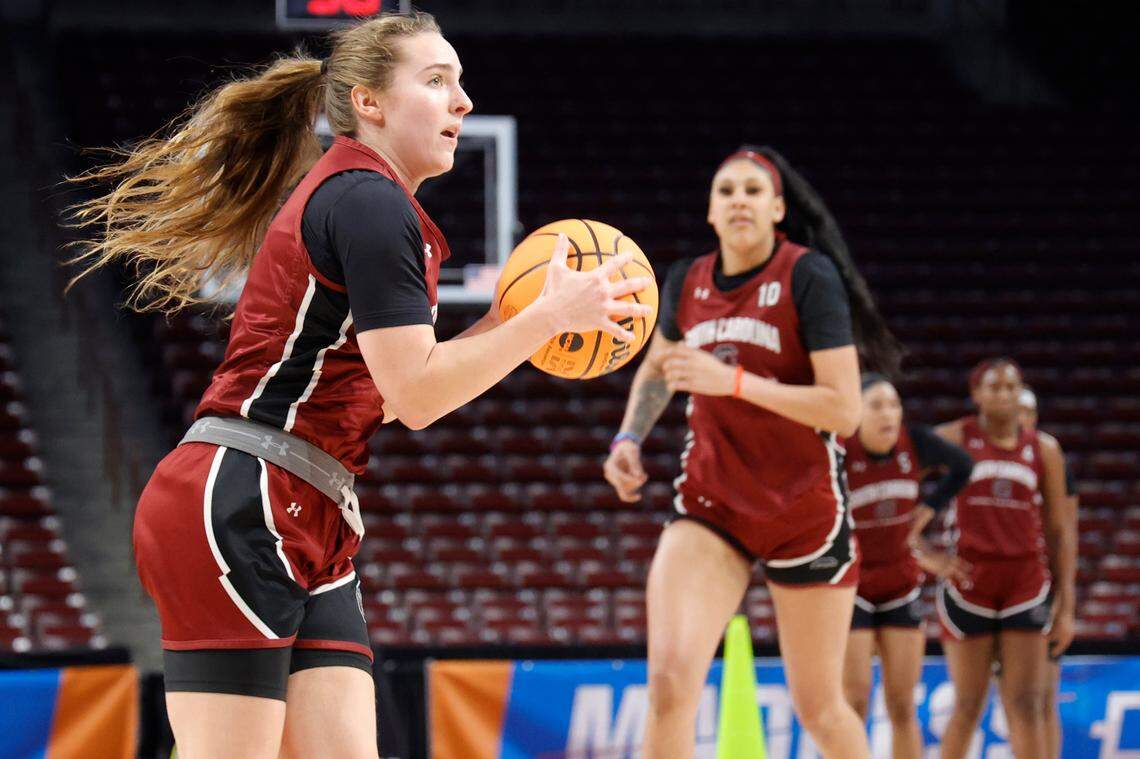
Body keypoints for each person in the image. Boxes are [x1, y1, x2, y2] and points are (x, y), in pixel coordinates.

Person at [67, 12, 651, 759]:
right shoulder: (368, 202)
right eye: (437, 81)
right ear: (369, 102)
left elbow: (416, 380)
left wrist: (520, 316)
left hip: (306, 503)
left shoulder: (375, 201)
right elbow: (418, 395)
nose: (463, 102)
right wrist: (545, 322)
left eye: (461, 82)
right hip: (242, 496)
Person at [603, 145, 902, 759]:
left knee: (820, 708)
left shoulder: (808, 276)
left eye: (752, 190)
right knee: (667, 686)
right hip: (713, 508)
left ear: (777, 209)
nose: (738, 200)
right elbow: (659, 370)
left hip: (805, 516)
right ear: (711, 212)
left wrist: (732, 382)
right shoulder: (687, 279)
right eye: (726, 191)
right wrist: (629, 437)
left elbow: (844, 410)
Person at [934, 359, 1076, 759]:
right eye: (994, 387)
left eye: (1011, 387)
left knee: (1027, 704)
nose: (1004, 395)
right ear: (976, 394)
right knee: (967, 706)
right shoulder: (954, 437)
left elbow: (1059, 532)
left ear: (1022, 393)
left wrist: (1067, 606)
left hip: (1025, 586)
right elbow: (897, 478)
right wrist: (921, 553)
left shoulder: (1044, 449)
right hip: (968, 585)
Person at [840, 373, 973, 759]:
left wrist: (930, 507)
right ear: (856, 412)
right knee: (854, 702)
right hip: (853, 586)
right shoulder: (839, 451)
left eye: (894, 404)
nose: (888, 413)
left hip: (900, 583)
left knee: (902, 705)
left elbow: (963, 465)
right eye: (877, 405)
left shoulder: (914, 442)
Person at [1018, 386, 1080, 759]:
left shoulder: (1051, 459)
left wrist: (1066, 605)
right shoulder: (979, 454)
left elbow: (1067, 536)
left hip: (1040, 590)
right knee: (1011, 697)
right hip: (996, 591)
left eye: (1029, 411)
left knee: (1041, 697)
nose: (1022, 417)